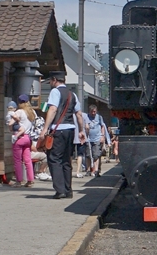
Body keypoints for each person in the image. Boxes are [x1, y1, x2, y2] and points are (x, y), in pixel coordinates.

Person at [39, 71, 84, 199]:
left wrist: (45, 128)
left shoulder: (55, 92)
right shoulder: (72, 94)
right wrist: (81, 131)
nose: (51, 84)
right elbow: (79, 114)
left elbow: (53, 109)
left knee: (54, 159)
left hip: (58, 130)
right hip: (71, 130)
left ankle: (60, 190)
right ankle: (68, 190)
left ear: (54, 80)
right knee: (66, 160)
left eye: (51, 81)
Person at [8, 95, 37, 187]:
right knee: (28, 160)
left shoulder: (19, 112)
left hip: (19, 138)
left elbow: (10, 123)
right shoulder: (32, 112)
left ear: (20, 103)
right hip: (28, 138)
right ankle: (30, 180)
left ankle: (19, 181)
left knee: (17, 161)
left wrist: (11, 128)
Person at [84, 103, 109, 178]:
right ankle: (88, 170)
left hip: (97, 138)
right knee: (88, 155)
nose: (93, 113)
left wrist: (102, 136)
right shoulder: (87, 117)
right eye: (92, 112)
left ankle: (96, 170)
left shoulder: (99, 117)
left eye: (94, 111)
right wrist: (86, 128)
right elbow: (84, 126)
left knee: (96, 155)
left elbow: (102, 127)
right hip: (88, 139)